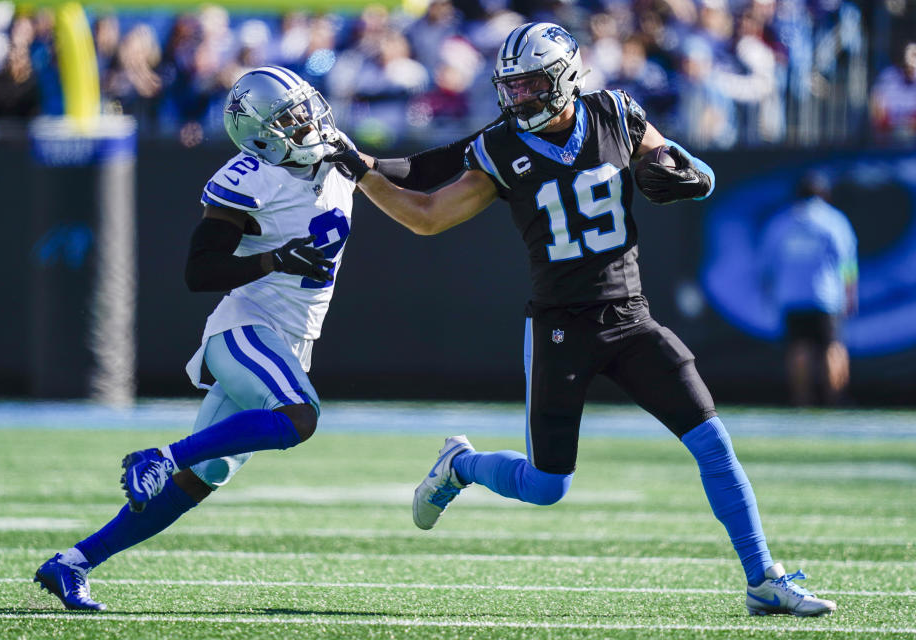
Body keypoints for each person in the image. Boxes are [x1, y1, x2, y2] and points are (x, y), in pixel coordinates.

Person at [329, 22, 837, 617]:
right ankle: (460, 465)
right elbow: (427, 215)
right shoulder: (500, 147)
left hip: (632, 316)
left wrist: (689, 173)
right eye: (510, 88)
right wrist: (362, 171)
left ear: (566, 77)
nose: (519, 99)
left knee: (713, 442)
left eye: (531, 86)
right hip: (560, 326)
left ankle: (762, 578)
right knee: (547, 486)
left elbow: (686, 167)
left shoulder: (616, 113)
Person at [34, 66, 355, 611]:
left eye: (306, 108)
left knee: (196, 480)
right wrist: (274, 259)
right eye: (290, 118)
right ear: (260, 136)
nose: (308, 122)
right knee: (300, 416)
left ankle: (72, 563)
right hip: (249, 328)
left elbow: (400, 174)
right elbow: (199, 272)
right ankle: (158, 454)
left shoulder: (336, 151)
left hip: (289, 340)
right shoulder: (249, 177)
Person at [759, 171, 858, 406]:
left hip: (791, 296)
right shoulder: (834, 221)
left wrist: (771, 292)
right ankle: (834, 399)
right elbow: (847, 262)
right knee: (831, 347)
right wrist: (850, 293)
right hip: (825, 295)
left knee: (798, 348)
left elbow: (767, 264)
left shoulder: (781, 222)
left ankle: (802, 400)